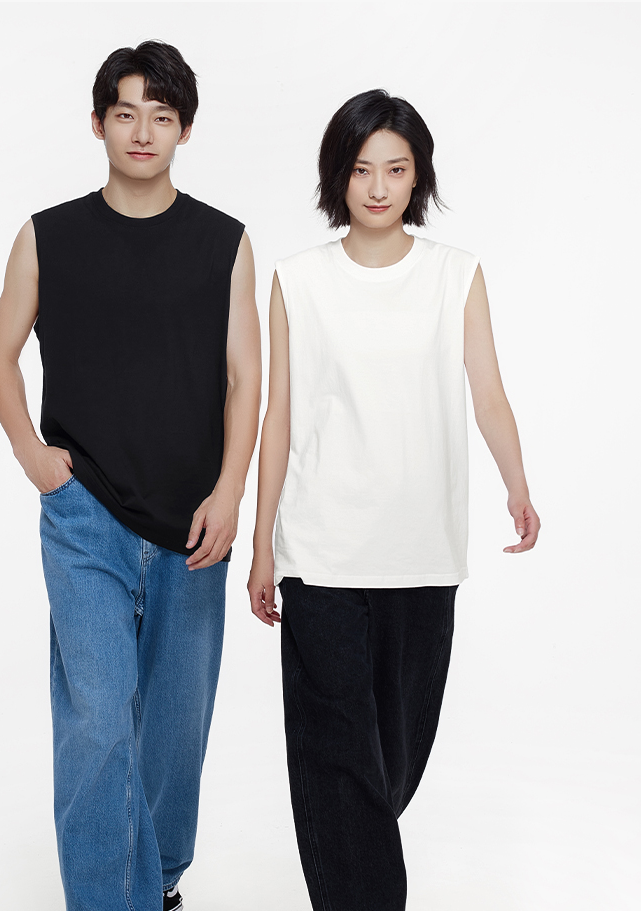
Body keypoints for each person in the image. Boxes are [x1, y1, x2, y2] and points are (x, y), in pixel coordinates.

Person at [0, 41, 261, 911]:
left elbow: (246, 377)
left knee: (175, 732)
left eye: (162, 116)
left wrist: (231, 490)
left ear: (185, 130)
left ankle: (160, 882)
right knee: (99, 718)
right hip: (85, 516)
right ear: (99, 123)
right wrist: (35, 457)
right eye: (126, 113)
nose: (143, 131)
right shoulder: (47, 235)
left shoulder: (225, 242)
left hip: (193, 520)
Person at [247, 88, 540, 911]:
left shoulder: (455, 275)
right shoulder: (299, 280)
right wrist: (263, 543)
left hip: (422, 551)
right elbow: (280, 416)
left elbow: (488, 391)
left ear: (419, 176)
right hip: (322, 552)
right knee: (337, 757)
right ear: (336, 175)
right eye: (361, 169)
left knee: (392, 762)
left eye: (396, 169)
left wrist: (518, 484)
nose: (378, 187)